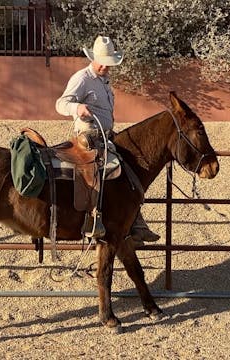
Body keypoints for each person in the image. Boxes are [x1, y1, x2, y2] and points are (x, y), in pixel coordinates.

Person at [55, 35, 160, 245]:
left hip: (105, 137)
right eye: (102, 62)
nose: (104, 66)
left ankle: (134, 222)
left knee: (129, 171)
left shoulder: (105, 82)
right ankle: (94, 220)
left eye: (108, 63)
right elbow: (60, 103)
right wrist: (77, 108)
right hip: (87, 138)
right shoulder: (82, 78)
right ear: (94, 58)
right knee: (98, 170)